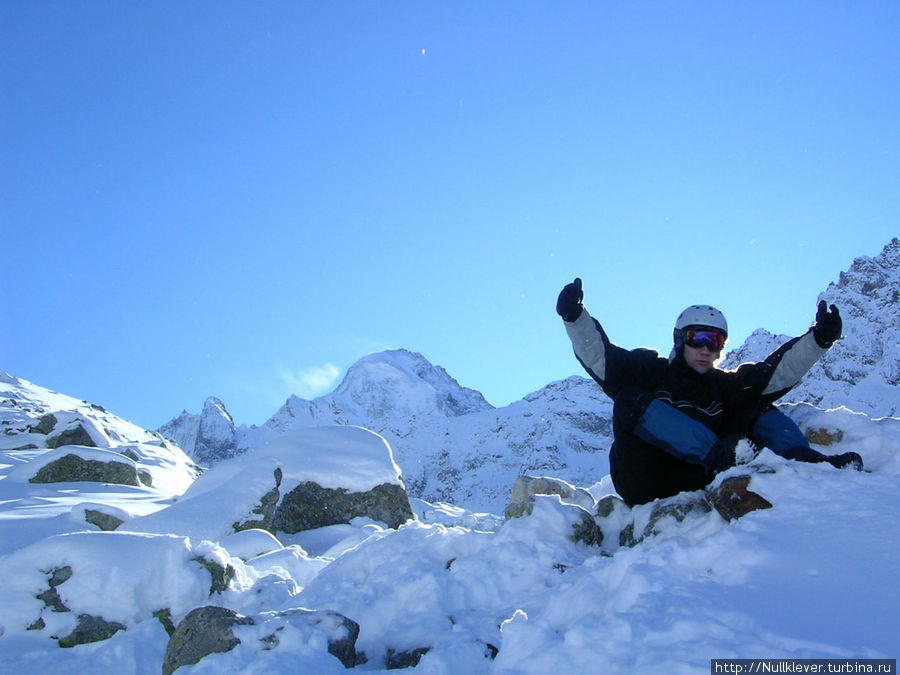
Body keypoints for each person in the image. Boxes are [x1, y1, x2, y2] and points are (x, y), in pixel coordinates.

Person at [556, 278, 863, 507]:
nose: (705, 348)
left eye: (715, 341)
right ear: (680, 340)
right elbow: (603, 360)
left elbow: (775, 373)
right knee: (629, 399)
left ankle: (807, 463)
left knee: (755, 404)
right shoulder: (648, 370)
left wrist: (819, 339)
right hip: (648, 479)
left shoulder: (723, 385)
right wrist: (575, 318)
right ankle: (722, 459)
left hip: (699, 476)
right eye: (697, 338)